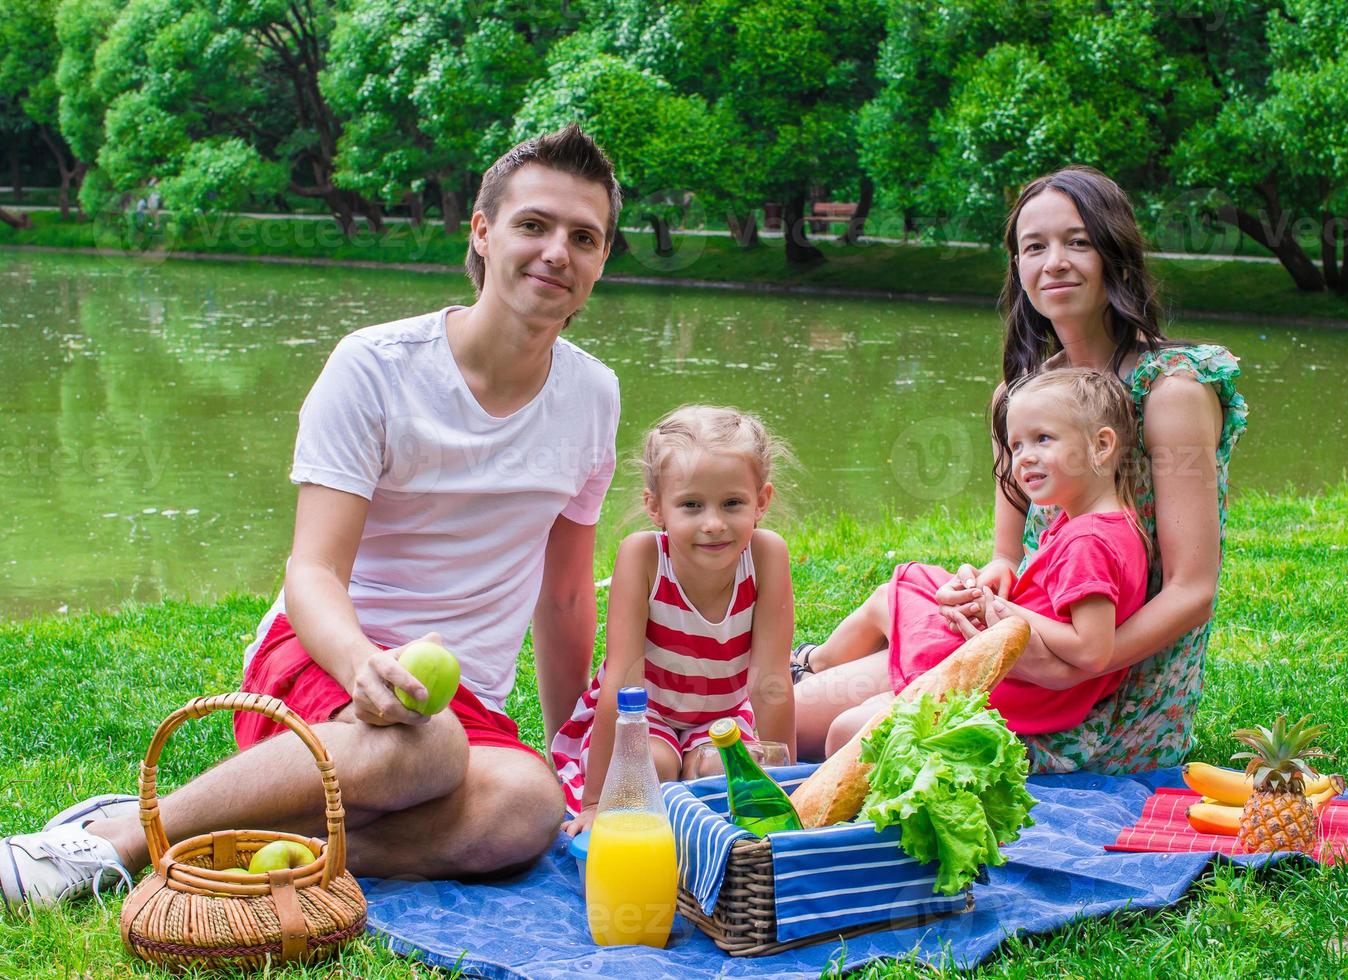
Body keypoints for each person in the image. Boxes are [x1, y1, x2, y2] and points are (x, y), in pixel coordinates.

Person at [2, 124, 623, 914]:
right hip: (324, 661)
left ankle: (243, 854)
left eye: (584, 237)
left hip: (461, 710)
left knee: (526, 806)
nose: (556, 253)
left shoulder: (593, 397)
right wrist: (362, 661)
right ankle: (114, 840)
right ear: (483, 231)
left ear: (602, 260)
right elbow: (313, 570)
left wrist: (571, 764)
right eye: (533, 225)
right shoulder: (375, 367)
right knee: (427, 749)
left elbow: (566, 596)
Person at [793, 165, 1247, 774]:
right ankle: (807, 671)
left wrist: (1070, 662)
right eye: (1034, 247)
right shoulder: (1021, 399)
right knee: (784, 721)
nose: (1054, 261)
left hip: (1110, 693)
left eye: (1077, 241)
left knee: (847, 732)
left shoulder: (1171, 390)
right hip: (1020, 647)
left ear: (1116, 253)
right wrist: (982, 592)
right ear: (1019, 271)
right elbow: (1010, 558)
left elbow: (1192, 591)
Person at [802, 369, 1150, 755]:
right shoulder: (1101, 524)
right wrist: (993, 592)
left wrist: (1000, 609)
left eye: (1043, 439)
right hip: (1018, 673)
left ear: (1101, 446)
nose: (1024, 458)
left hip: (1012, 688)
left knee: (849, 725)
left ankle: (810, 667)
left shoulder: (1089, 541)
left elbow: (1092, 650)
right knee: (909, 591)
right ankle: (814, 666)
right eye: (1016, 446)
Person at [553, 405, 796, 835]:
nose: (714, 523)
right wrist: (596, 802)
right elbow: (622, 683)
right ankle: (656, 776)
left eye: (732, 503)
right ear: (656, 507)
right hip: (642, 716)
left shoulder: (766, 556)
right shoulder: (643, 557)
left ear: (761, 501)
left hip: (720, 717)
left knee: (720, 775)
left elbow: (770, 681)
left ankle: (697, 772)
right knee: (652, 773)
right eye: (691, 505)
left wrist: (788, 789)